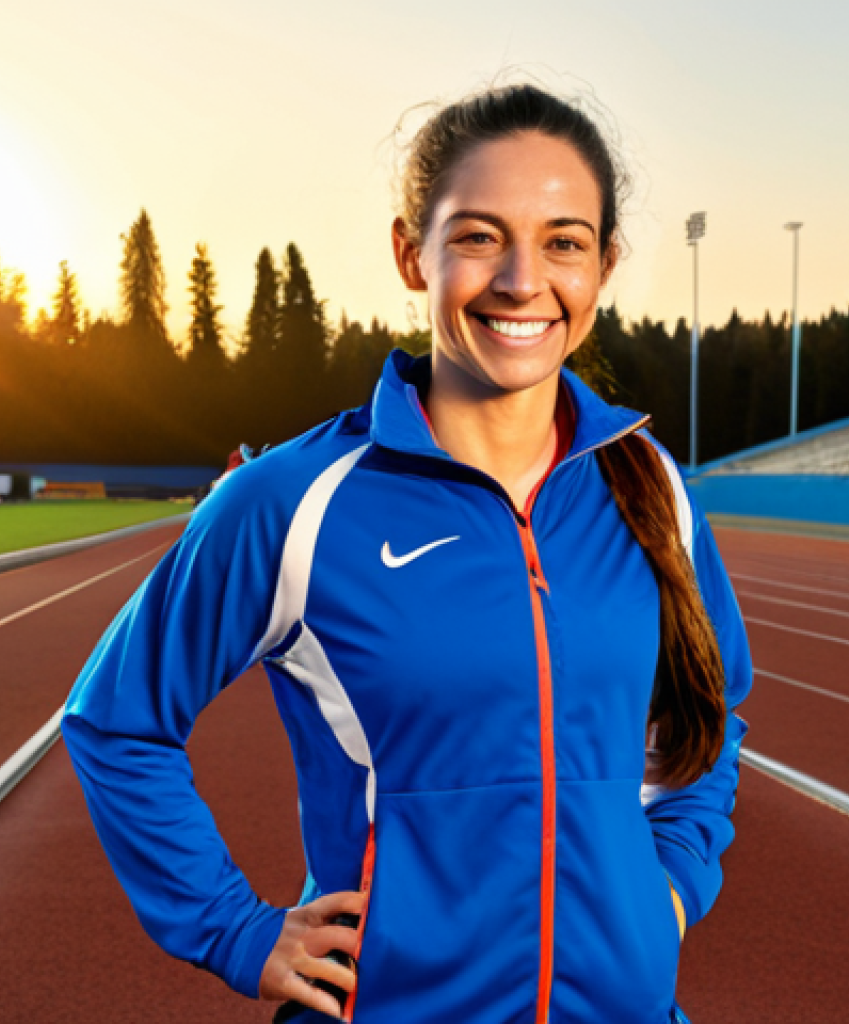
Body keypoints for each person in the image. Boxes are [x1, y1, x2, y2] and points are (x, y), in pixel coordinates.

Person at [62, 82, 752, 1024]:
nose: (522, 280)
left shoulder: (653, 487)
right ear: (410, 253)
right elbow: (116, 720)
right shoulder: (293, 502)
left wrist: (667, 890)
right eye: (478, 236)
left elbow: (708, 721)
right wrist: (236, 931)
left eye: (564, 242)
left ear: (605, 264)